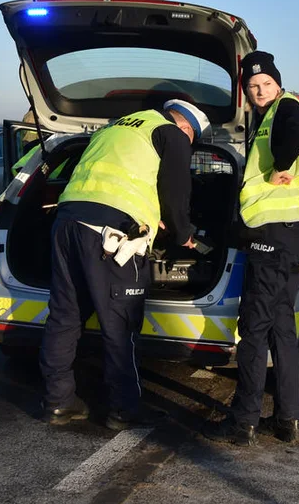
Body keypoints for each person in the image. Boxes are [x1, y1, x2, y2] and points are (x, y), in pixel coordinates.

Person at [40, 99, 209, 430]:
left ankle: (57, 403)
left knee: (64, 316)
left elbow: (124, 180)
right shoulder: (171, 134)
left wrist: (152, 214)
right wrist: (184, 234)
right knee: (120, 324)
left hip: (67, 223)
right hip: (112, 237)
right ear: (187, 128)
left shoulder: (115, 127)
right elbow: (176, 196)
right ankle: (124, 410)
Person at [205, 51, 299, 446]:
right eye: (253, 87)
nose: (259, 91)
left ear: (277, 83)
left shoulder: (285, 108)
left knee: (253, 331)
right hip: (292, 236)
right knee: (281, 329)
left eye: (265, 84)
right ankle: (288, 419)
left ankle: (243, 423)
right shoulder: (267, 116)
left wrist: (280, 164)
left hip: (272, 237)